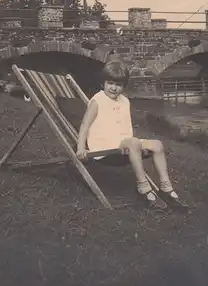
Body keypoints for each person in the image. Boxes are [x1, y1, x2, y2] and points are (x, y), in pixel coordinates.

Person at [76, 59, 188, 212]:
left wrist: (129, 142)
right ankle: (143, 187)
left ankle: (166, 188)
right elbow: (84, 125)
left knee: (157, 144)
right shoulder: (97, 101)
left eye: (118, 85)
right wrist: (81, 148)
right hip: (104, 145)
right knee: (133, 142)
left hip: (123, 142)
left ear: (124, 86)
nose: (114, 88)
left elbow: (124, 126)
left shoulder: (125, 101)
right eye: (110, 83)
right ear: (103, 83)